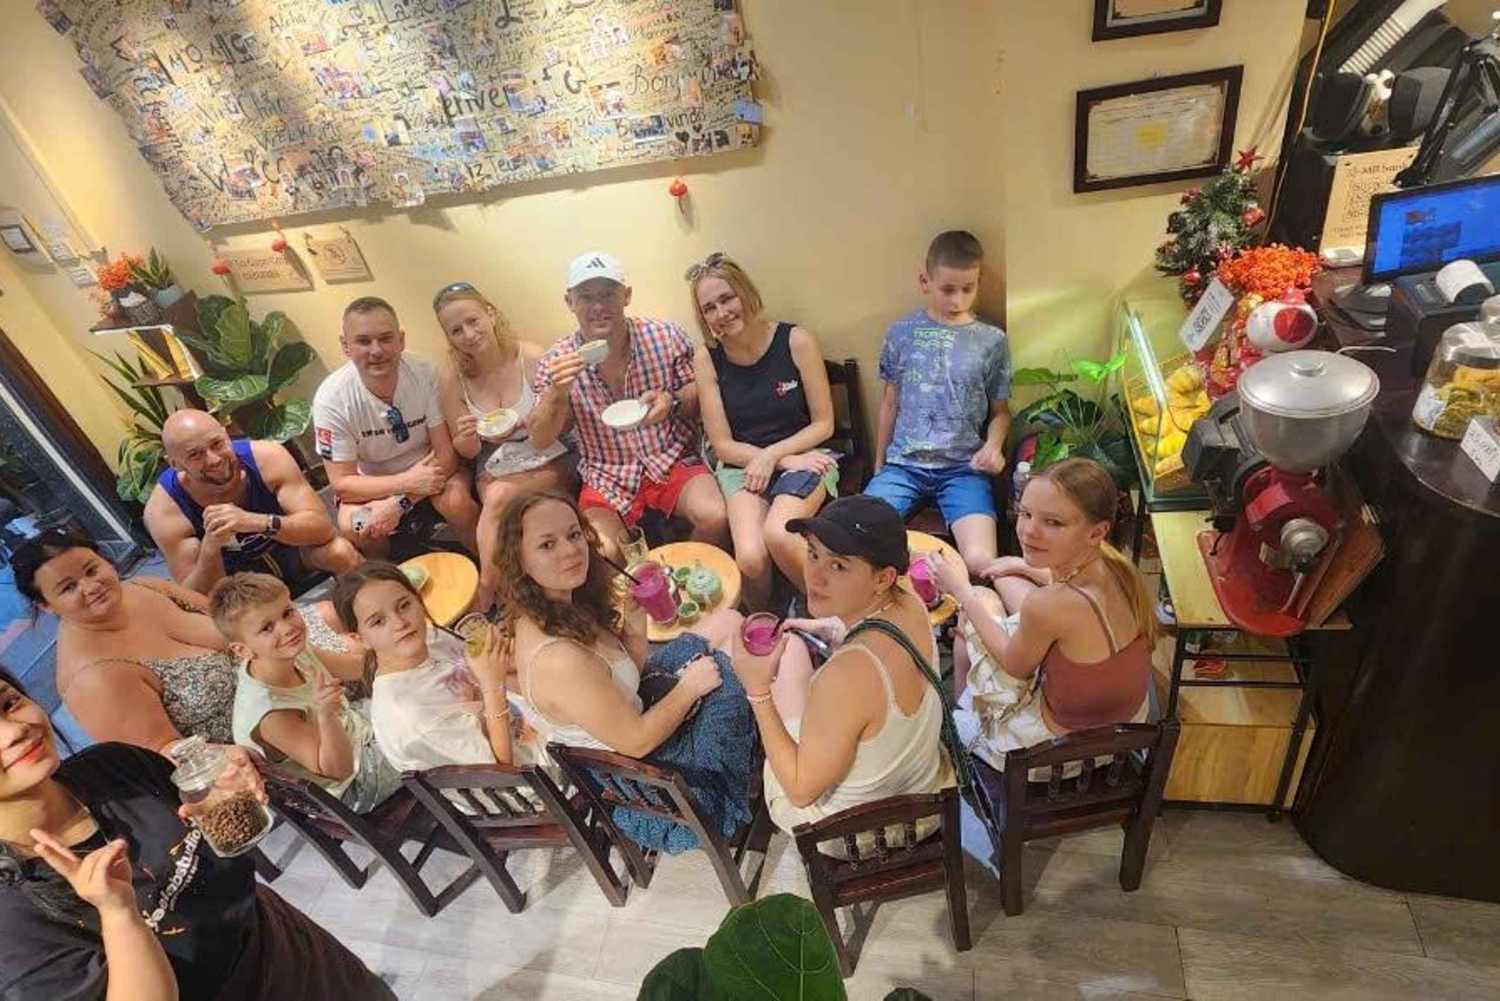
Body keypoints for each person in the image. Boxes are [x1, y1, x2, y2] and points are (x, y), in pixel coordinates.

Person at [0, 668, 396, 1000]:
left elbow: (220, 851)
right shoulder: (11, 919)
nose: (13, 732)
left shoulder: (115, 766)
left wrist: (225, 801)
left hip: (294, 950)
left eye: (9, 704)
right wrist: (118, 914)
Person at [12, 529, 360, 752]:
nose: (91, 587)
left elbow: (235, 620)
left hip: (283, 665)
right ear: (45, 605)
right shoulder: (91, 678)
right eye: (68, 587)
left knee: (340, 611)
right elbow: (170, 754)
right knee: (365, 640)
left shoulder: (142, 587)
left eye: (91, 569)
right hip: (272, 731)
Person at [729, 495, 955, 835]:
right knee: (792, 650)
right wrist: (837, 630)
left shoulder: (845, 676)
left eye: (839, 566)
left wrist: (757, 691)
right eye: (813, 554)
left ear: (883, 578)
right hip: (923, 788)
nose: (815, 577)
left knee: (785, 671)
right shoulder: (910, 603)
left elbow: (801, 792)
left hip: (865, 833)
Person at [931, 457, 1155, 770]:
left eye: (1053, 522)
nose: (1029, 532)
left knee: (977, 607)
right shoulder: (1116, 565)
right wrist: (1020, 566)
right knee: (1004, 581)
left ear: (1096, 532)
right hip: (1121, 726)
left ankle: (964, 726)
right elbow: (1064, 591)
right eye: (1025, 514)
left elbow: (1015, 666)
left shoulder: (1050, 604)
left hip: (1061, 752)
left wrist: (962, 591)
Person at [530, 252, 729, 563]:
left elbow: (700, 393)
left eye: (608, 294)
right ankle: (644, 586)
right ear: (570, 302)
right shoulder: (557, 361)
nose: (598, 306)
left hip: (672, 457)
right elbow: (540, 439)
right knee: (603, 552)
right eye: (586, 297)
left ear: (626, 295)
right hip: (605, 473)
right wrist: (557, 393)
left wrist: (672, 401)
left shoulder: (664, 337)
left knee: (715, 516)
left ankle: (683, 575)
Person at [500, 491, 729, 759]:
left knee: (729, 622)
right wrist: (689, 689)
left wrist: (633, 616)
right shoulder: (558, 659)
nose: (571, 550)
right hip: (648, 766)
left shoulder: (561, 603)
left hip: (640, 707)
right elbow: (637, 742)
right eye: (547, 544)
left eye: (574, 534)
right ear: (519, 560)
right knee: (739, 674)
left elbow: (628, 675)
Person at [687, 253, 838, 611]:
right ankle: (766, 623)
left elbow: (824, 423)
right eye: (709, 308)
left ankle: (830, 614)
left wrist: (775, 457)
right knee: (751, 558)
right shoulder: (707, 358)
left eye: (727, 298)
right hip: (742, 464)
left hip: (806, 456)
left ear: (746, 293)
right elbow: (723, 445)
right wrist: (775, 460)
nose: (721, 313)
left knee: (779, 534)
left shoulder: (795, 340)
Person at [865, 230, 1012, 578]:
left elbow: (1001, 412)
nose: (958, 300)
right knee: (861, 540)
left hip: (964, 469)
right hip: (903, 466)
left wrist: (993, 446)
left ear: (979, 282)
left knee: (980, 562)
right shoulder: (901, 333)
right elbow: (890, 403)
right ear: (925, 281)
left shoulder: (992, 340)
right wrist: (879, 463)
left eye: (968, 288)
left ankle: (968, 603)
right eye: (947, 289)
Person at [434, 281, 572, 611]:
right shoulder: (454, 379)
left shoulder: (533, 357)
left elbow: (565, 421)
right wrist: (467, 436)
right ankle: (516, 592)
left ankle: (490, 589)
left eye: (473, 321)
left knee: (497, 499)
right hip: (494, 457)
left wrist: (525, 423)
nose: (468, 335)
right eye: (456, 330)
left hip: (547, 449)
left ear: (491, 314)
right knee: (498, 502)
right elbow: (467, 452)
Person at [211, 573, 400, 813]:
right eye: (267, 628)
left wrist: (396, 646)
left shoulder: (289, 651)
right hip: (353, 784)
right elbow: (339, 770)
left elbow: (358, 668)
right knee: (428, 722)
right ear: (242, 650)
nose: (287, 628)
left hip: (358, 728)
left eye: (287, 613)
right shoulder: (272, 713)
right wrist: (326, 716)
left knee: (420, 692)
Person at [313, 296, 480, 559]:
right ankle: (393, 577)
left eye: (385, 338)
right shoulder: (330, 400)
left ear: (401, 340)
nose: (376, 351)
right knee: (357, 526)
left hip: (435, 470)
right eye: (363, 341)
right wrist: (406, 484)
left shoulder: (426, 373)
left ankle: (493, 573)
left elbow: (446, 454)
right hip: (373, 484)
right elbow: (342, 484)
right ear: (345, 346)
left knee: (457, 503)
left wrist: (401, 502)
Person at [144, 409, 361, 596]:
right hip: (236, 585)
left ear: (227, 434)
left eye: (217, 444)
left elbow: (323, 530)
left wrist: (257, 522)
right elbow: (196, 596)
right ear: (175, 464)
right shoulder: (165, 509)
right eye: (195, 455)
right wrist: (211, 546)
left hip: (295, 553)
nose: (214, 459)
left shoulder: (267, 458)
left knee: (340, 552)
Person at [333, 562, 516, 772]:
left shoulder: (429, 639)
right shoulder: (411, 718)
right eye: (378, 621)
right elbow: (502, 775)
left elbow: (491, 668)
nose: (400, 623)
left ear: (419, 600)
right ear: (361, 639)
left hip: (523, 718)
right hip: (528, 776)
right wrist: (493, 686)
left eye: (404, 605)